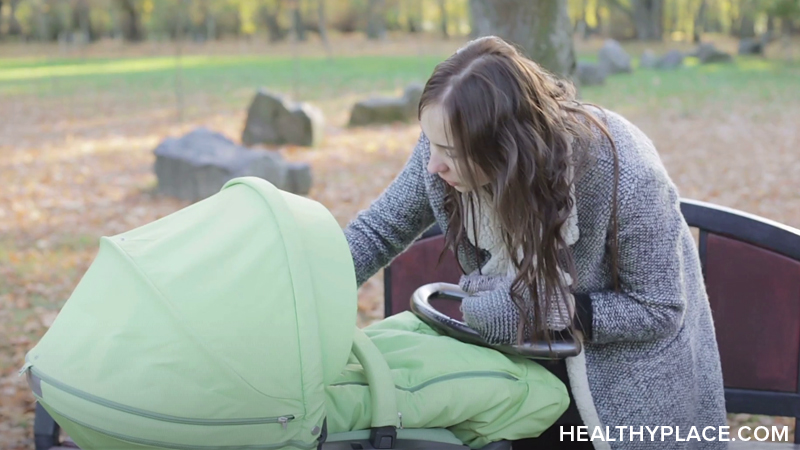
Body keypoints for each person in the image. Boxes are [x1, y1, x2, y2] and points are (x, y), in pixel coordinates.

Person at [342, 36, 728, 450]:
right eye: (430, 144)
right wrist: (298, 283)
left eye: (449, 153)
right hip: (518, 370)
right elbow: (378, 231)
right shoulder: (448, 137)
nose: (434, 165)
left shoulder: (625, 171)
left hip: (620, 387)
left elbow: (659, 308)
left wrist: (541, 310)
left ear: (507, 151)